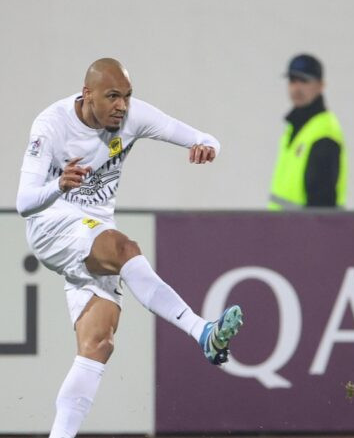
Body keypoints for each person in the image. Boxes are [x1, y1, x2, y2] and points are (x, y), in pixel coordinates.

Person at [15, 58, 243, 438]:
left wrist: (208, 147)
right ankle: (202, 331)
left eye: (127, 96)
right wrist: (59, 186)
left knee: (98, 345)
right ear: (87, 95)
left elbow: (204, 136)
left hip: (93, 228)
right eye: (112, 96)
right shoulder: (50, 125)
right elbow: (24, 203)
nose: (122, 105)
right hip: (51, 224)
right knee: (125, 250)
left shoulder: (132, 116)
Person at [268, 54, 348, 209]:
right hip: (286, 228)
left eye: (304, 81)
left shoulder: (324, 133)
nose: (297, 88)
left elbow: (322, 205)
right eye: (292, 80)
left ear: (321, 85)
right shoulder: (296, 127)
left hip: (306, 231)